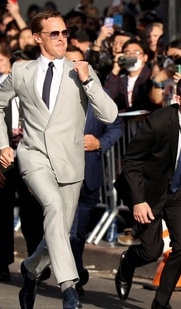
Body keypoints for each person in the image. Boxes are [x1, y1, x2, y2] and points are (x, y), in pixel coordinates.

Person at [0, 10, 118, 309]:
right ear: (37, 37)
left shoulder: (80, 69)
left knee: (58, 228)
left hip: (70, 162)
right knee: (54, 207)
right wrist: (2, 144)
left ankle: (31, 270)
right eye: (54, 33)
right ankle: (69, 288)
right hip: (33, 156)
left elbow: (109, 115)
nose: (62, 38)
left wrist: (88, 81)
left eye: (65, 32)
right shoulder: (22, 71)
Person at [113, 75, 181, 309]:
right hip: (150, 192)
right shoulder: (159, 122)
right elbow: (131, 162)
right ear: (178, 98)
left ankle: (161, 302)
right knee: (152, 251)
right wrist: (139, 201)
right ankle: (128, 262)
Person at [0, 51, 45, 283]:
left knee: (33, 215)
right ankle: (2, 264)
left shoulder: (41, 96)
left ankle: (35, 265)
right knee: (1, 216)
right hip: (2, 167)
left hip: (31, 165)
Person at [65, 44, 123, 296]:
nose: (74, 67)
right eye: (69, 63)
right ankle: (74, 279)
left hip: (90, 173)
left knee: (79, 232)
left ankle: (73, 272)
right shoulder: (53, 95)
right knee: (69, 230)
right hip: (63, 173)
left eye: (78, 62)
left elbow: (116, 125)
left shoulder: (99, 92)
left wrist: (100, 143)